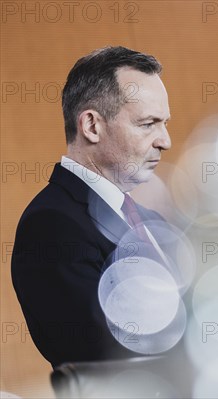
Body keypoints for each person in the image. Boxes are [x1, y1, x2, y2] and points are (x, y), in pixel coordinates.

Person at [11, 46, 172, 368]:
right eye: (148, 124)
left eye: (165, 123)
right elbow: (103, 356)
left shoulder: (154, 221)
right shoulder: (50, 225)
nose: (165, 141)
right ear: (92, 126)